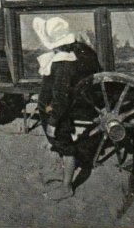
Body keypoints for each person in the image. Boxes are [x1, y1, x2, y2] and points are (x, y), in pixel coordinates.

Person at [33, 16, 101, 201]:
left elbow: (61, 98)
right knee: (59, 142)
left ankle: (67, 186)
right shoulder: (63, 59)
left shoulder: (63, 67)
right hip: (50, 110)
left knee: (66, 147)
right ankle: (64, 169)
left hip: (55, 114)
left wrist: (53, 122)